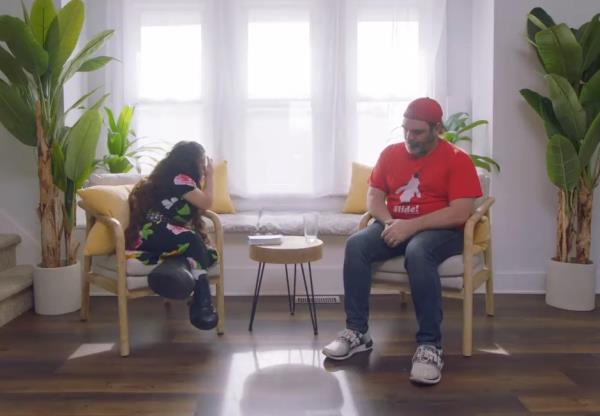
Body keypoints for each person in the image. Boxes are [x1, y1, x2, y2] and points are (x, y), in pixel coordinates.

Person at [322, 97, 482, 385]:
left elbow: (460, 212)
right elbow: (374, 197)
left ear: (437, 129)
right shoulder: (391, 154)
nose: (409, 136)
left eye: (417, 131)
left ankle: (430, 346)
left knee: (418, 252)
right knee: (356, 244)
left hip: (441, 230)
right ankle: (357, 332)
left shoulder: (458, 159)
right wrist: (391, 222)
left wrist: (413, 226)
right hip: (394, 222)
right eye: (406, 129)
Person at [125, 141, 219, 330]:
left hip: (162, 235)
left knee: (208, 253)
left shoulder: (170, 176)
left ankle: (169, 272)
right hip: (153, 232)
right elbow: (207, 202)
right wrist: (210, 175)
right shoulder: (180, 179)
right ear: (191, 161)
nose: (203, 166)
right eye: (201, 162)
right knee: (193, 241)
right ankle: (202, 301)